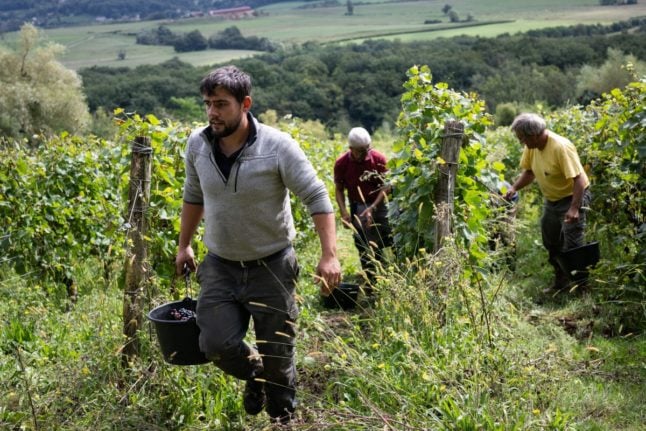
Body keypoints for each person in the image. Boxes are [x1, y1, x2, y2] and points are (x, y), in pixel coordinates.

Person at [175, 65, 341, 424]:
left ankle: (282, 417)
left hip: (272, 265)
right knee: (215, 345)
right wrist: (184, 244)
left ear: (245, 103)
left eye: (221, 104)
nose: (212, 113)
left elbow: (317, 196)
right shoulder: (197, 144)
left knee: (280, 356)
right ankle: (255, 373)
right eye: (207, 103)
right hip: (220, 263)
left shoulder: (277, 146)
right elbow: (193, 196)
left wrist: (329, 255)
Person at [504, 113, 591, 293]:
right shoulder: (532, 147)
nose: (522, 142)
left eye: (522, 138)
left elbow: (580, 180)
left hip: (572, 197)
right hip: (552, 200)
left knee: (573, 244)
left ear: (533, 134)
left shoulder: (560, 147)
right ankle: (561, 281)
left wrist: (574, 208)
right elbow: (529, 173)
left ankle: (582, 288)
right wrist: (514, 188)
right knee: (551, 241)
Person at [334, 127, 392, 285]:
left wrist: (373, 207)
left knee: (385, 237)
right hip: (357, 205)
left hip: (379, 203)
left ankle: (389, 270)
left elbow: (387, 186)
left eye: (368, 149)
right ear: (351, 149)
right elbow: (339, 189)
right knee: (363, 242)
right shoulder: (342, 163)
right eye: (361, 151)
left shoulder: (379, 159)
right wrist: (344, 212)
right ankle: (371, 279)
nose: (366, 153)